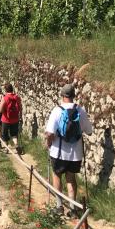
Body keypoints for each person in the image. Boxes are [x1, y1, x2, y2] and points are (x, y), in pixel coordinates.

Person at [45, 83, 93, 217]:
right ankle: (73, 209)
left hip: (58, 152)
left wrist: (48, 143)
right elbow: (89, 131)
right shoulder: (80, 110)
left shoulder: (57, 110)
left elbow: (50, 133)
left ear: (62, 95)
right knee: (71, 179)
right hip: (75, 154)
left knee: (57, 176)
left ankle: (59, 206)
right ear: (74, 95)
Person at [0, 83, 22, 154]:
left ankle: (6, 148)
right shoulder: (17, 97)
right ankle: (16, 144)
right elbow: (20, 107)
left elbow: (0, 110)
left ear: (5, 90)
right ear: (12, 89)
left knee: (4, 135)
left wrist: (1, 104)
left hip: (6, 119)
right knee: (14, 134)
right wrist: (20, 116)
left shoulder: (5, 98)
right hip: (15, 119)